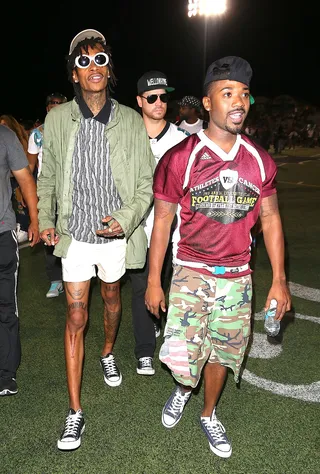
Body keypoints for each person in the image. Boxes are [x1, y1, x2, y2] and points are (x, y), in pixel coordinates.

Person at [145, 56, 291, 459]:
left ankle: (208, 413)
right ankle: (181, 389)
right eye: (227, 94)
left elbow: (272, 217)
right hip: (191, 270)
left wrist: (279, 279)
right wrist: (154, 279)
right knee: (183, 355)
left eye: (243, 94)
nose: (238, 101)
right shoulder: (181, 158)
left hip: (238, 275)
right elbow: (161, 223)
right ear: (208, 103)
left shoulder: (260, 160)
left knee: (222, 354)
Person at [37, 28, 154, 451]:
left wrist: (125, 220)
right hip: (74, 236)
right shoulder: (56, 119)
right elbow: (47, 175)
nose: (93, 68)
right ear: (74, 74)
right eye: (84, 62)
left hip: (114, 238)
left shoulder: (130, 121)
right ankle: (75, 412)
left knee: (111, 299)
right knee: (75, 315)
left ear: (109, 69)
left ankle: (107, 350)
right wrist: (45, 219)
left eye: (100, 60)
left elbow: (145, 183)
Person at [128, 71, 189, 376]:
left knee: (168, 284)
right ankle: (144, 351)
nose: (159, 102)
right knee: (141, 286)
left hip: (172, 231)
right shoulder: (127, 137)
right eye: (152, 97)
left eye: (164, 96)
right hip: (138, 228)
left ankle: (162, 329)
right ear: (140, 101)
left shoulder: (182, 140)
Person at [0, 124, 39, 396]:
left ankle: (5, 373)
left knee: (5, 306)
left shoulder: (5, 136)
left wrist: (35, 219)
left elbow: (25, 178)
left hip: (2, 232)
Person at [28, 92, 67, 298]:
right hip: (48, 192)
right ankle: (55, 280)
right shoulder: (37, 134)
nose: (56, 106)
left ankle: (78, 274)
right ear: (47, 108)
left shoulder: (73, 129)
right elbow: (30, 167)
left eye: (60, 103)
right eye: (52, 103)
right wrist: (29, 196)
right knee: (49, 234)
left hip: (71, 190)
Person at [0, 114, 30, 244]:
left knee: (20, 202)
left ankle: (23, 226)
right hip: (10, 177)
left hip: (18, 177)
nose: (2, 127)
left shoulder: (15, 139)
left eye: (5, 124)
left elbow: (24, 167)